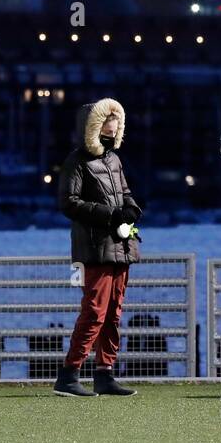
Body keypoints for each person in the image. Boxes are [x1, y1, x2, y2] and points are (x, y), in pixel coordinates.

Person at [54, 97, 142, 397]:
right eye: (108, 118)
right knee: (94, 311)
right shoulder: (76, 161)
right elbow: (68, 203)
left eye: (117, 118)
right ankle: (69, 374)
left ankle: (104, 373)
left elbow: (125, 191)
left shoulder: (114, 160)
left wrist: (131, 208)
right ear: (94, 125)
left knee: (113, 313)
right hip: (94, 248)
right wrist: (111, 214)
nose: (114, 123)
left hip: (120, 246)